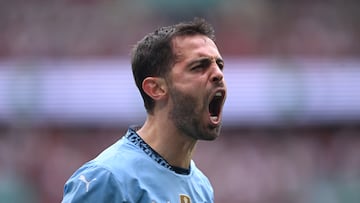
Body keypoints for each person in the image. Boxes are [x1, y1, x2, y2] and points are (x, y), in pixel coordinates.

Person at [62, 18, 227, 203]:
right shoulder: (108, 178)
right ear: (156, 88)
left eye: (219, 65)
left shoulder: (201, 187)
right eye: (198, 67)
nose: (219, 74)